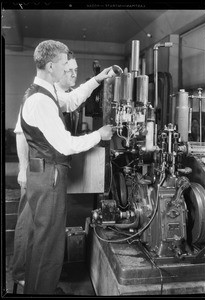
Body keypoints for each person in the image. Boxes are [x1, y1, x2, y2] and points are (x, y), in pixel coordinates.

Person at [11, 39, 114, 295]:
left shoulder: (45, 92)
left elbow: (72, 99)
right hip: (49, 175)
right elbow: (66, 145)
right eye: (63, 63)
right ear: (50, 66)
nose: (67, 66)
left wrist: (98, 79)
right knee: (49, 243)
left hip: (44, 173)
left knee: (41, 238)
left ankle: (37, 287)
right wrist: (99, 135)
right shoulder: (41, 101)